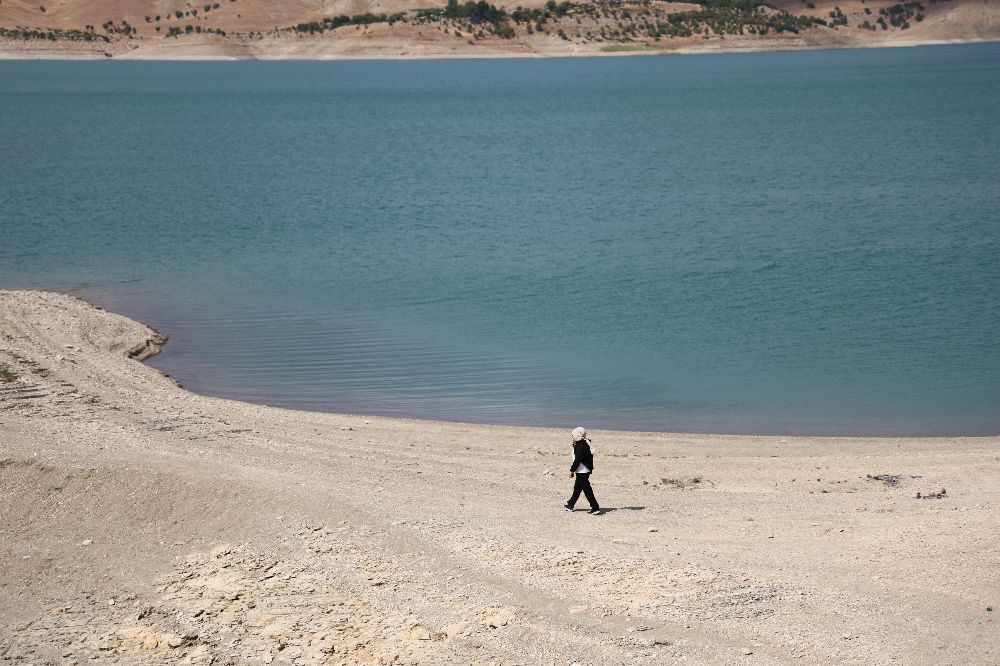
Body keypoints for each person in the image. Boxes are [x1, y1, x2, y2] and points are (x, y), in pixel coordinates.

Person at [564, 426, 600, 515]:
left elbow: (578, 459)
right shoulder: (584, 442)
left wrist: (572, 470)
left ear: (578, 435)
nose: (572, 437)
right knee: (577, 487)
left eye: (573, 435)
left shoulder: (580, 444)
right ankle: (570, 504)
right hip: (584, 469)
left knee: (586, 489)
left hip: (582, 470)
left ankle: (595, 507)